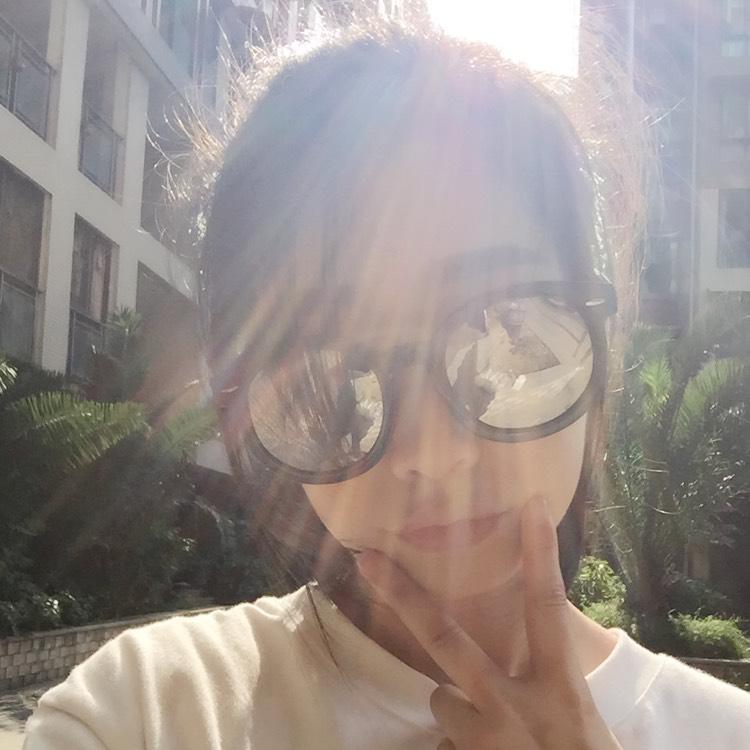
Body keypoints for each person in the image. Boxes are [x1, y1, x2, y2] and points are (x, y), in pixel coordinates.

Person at [24, 23, 750, 750]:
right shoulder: (144, 714)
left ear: (599, 337)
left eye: (511, 334)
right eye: (333, 373)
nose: (432, 456)